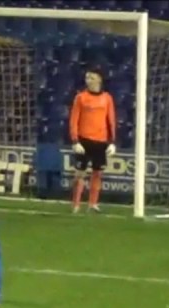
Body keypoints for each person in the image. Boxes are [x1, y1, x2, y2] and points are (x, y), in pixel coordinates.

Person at [68, 67, 116, 214]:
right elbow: (74, 120)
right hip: (83, 140)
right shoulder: (80, 98)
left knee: (97, 173)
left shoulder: (107, 98)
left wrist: (112, 141)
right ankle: (76, 205)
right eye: (87, 78)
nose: (88, 80)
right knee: (79, 173)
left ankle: (93, 204)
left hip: (100, 141)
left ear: (99, 79)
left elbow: (111, 120)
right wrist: (75, 140)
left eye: (91, 78)